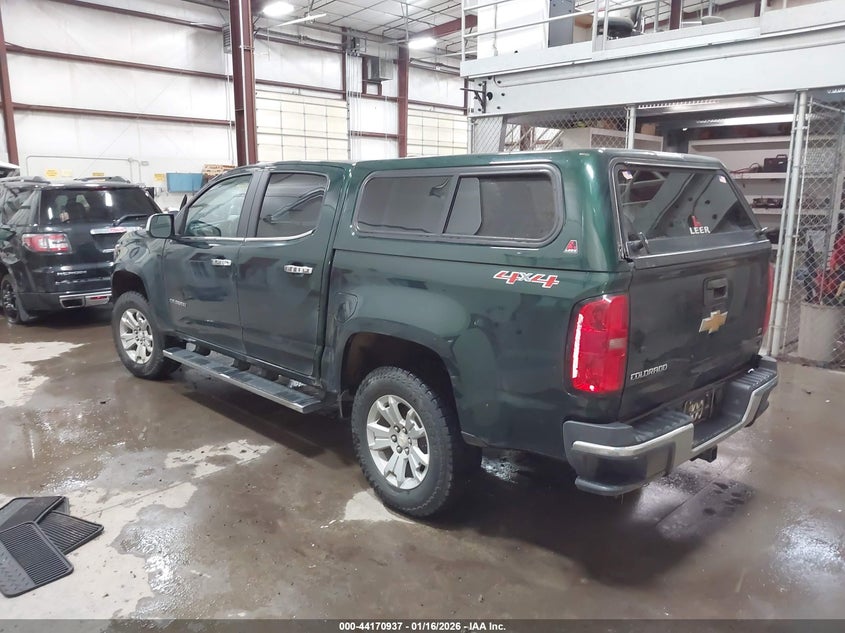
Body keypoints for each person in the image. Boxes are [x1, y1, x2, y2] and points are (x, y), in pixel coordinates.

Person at [817, 214, 845, 303]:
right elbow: (837, 256)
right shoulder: (841, 241)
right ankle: (834, 297)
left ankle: (836, 297)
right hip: (840, 266)